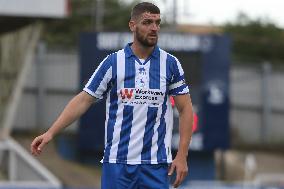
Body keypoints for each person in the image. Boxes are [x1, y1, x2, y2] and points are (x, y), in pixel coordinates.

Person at [31, 2, 193, 189]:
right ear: (132, 25)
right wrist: (51, 132)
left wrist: (182, 155)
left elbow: (185, 109)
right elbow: (84, 99)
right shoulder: (113, 62)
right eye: (147, 22)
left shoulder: (170, 64)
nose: (154, 28)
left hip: (155, 165)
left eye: (157, 23)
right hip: (117, 164)